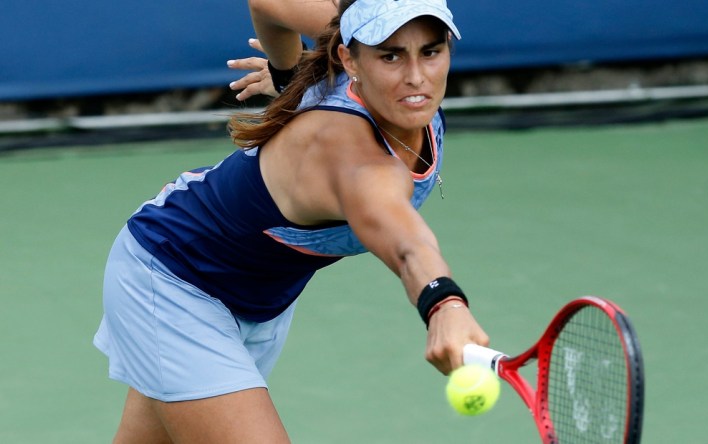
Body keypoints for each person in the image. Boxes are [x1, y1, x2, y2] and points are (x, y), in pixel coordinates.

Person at [93, 0, 489, 442]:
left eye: (431, 52)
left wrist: (289, 77)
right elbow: (403, 238)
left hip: (257, 301)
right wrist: (443, 303)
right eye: (390, 55)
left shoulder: (358, 45)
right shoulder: (349, 153)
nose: (416, 77)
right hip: (172, 278)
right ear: (349, 59)